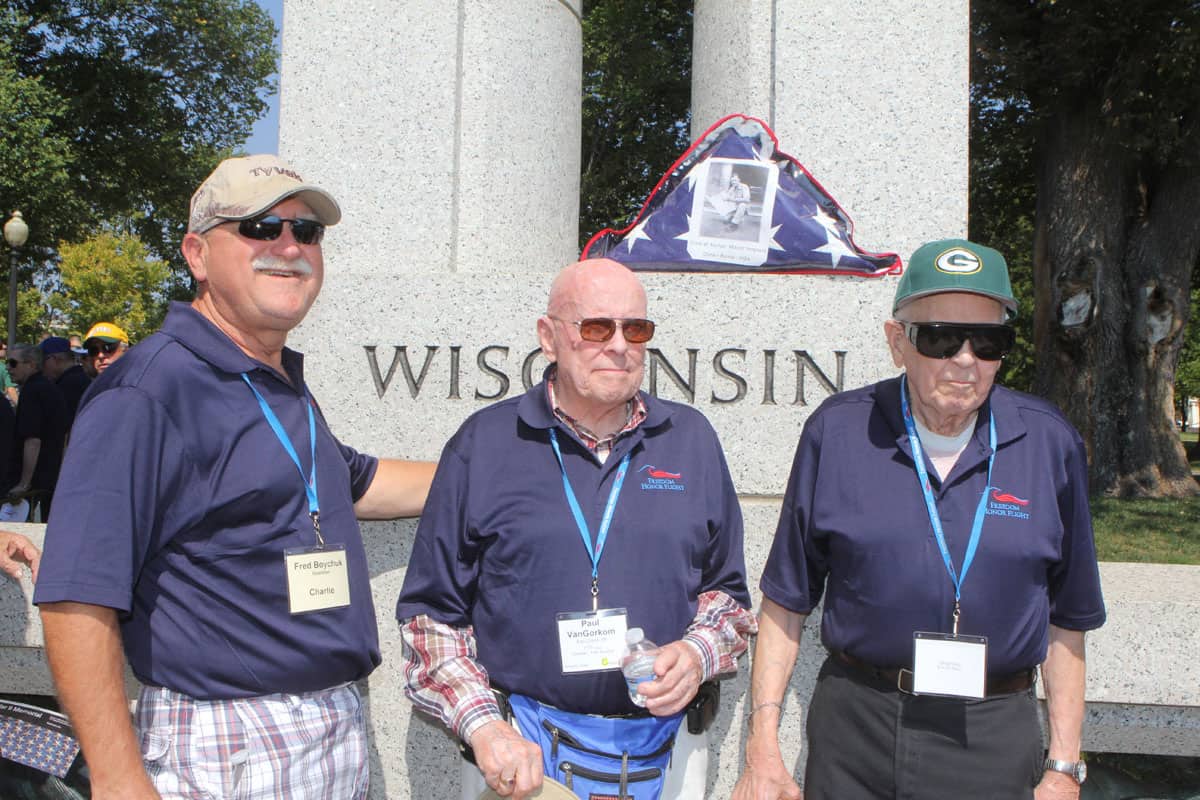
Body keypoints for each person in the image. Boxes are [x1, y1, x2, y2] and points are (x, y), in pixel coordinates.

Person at [33, 154, 436, 800]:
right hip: (229, 750)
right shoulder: (147, 391)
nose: (289, 246)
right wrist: (118, 780)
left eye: (307, 231)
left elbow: (355, 481)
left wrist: (494, 471)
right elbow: (76, 596)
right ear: (197, 254)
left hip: (330, 736)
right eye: (259, 227)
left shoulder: (274, 382)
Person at [732, 239, 1106, 800]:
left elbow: (1068, 617)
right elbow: (786, 601)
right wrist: (762, 746)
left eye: (988, 342)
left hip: (991, 733)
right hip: (857, 728)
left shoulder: (1049, 442)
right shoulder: (838, 431)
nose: (965, 359)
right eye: (940, 337)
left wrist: (1064, 766)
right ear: (897, 342)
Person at [396, 258, 756, 800]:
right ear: (549, 337)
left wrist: (697, 654)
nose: (619, 346)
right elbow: (430, 617)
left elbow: (728, 597)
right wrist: (484, 727)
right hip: (523, 756)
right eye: (596, 328)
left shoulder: (691, 439)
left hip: (671, 753)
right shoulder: (484, 443)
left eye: (636, 329)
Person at [6, 344, 68, 521]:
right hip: (50, 477)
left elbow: (32, 439)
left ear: (31, 364)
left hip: (34, 483)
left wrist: (24, 484)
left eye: (13, 363)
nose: (8, 368)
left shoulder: (33, 390)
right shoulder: (50, 388)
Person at [40, 337, 90, 431]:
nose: (41, 367)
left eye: (42, 361)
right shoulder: (83, 377)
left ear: (54, 359)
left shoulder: (66, 386)